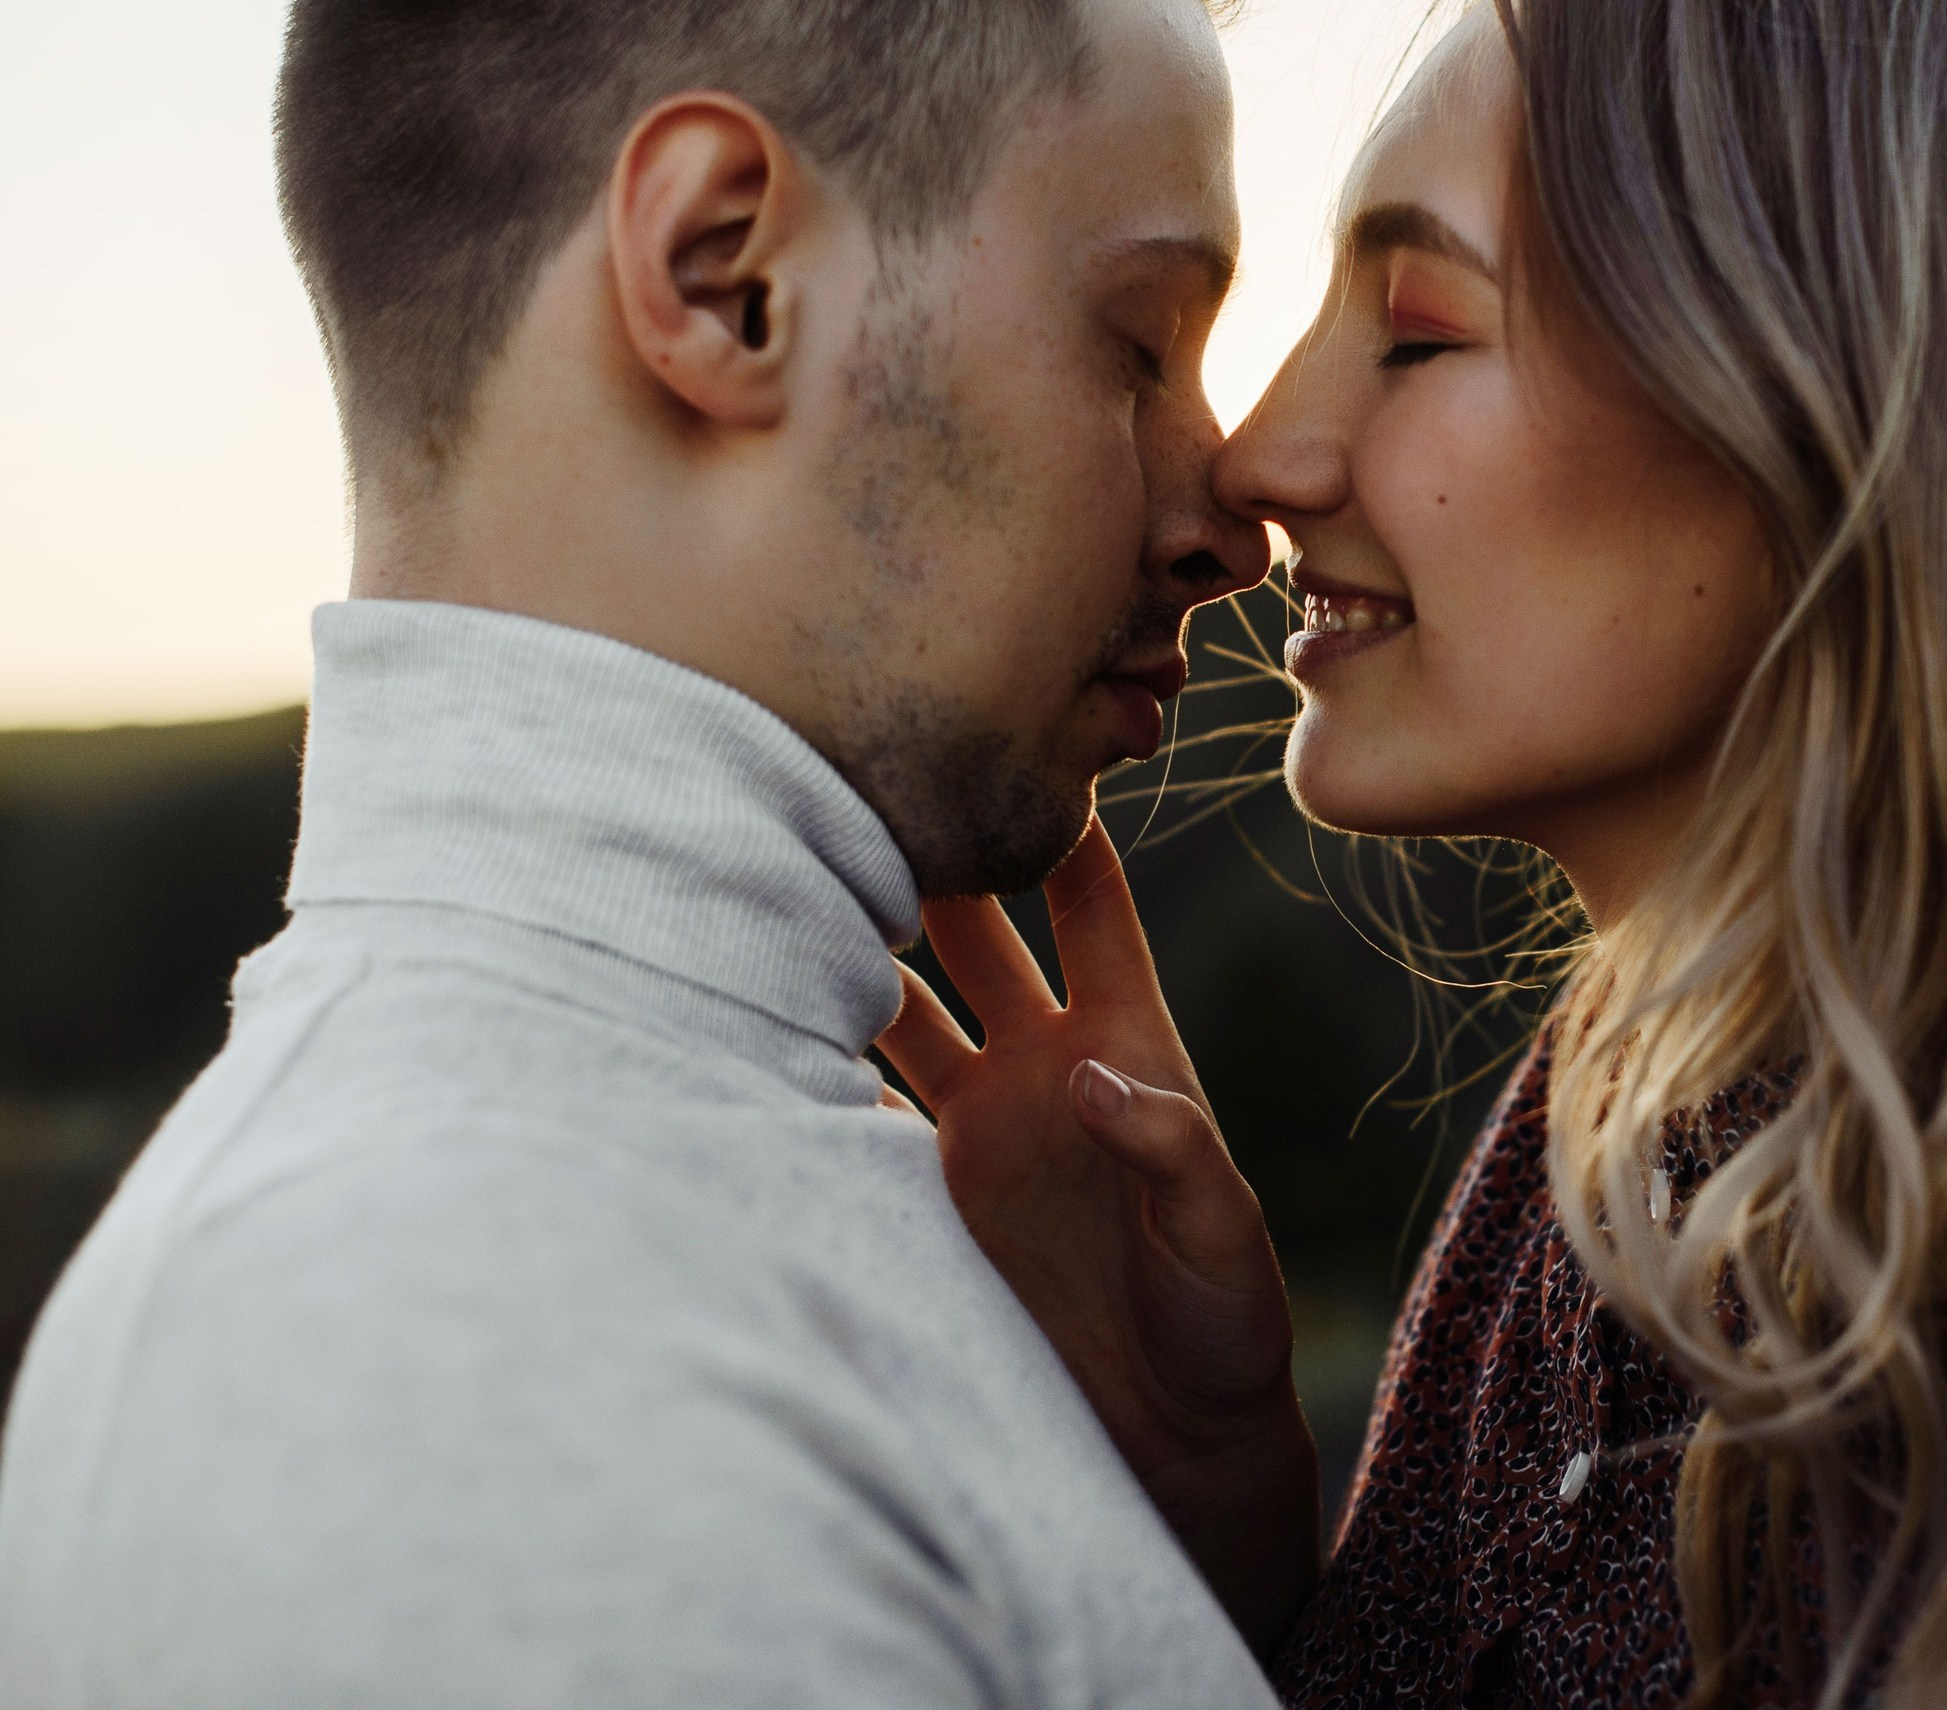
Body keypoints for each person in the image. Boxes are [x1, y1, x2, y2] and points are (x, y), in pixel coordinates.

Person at [884, 1, 1947, 1706]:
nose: (1260, 456)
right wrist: (1219, 1511)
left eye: (1415, 331)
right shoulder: (1603, 1155)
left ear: (1855, 428)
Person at [0, 0, 1282, 1705]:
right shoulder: (434, 1393)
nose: (1233, 515)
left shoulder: (684, 1229)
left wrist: (1195, 1527)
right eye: (1137, 342)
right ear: (720, 274)